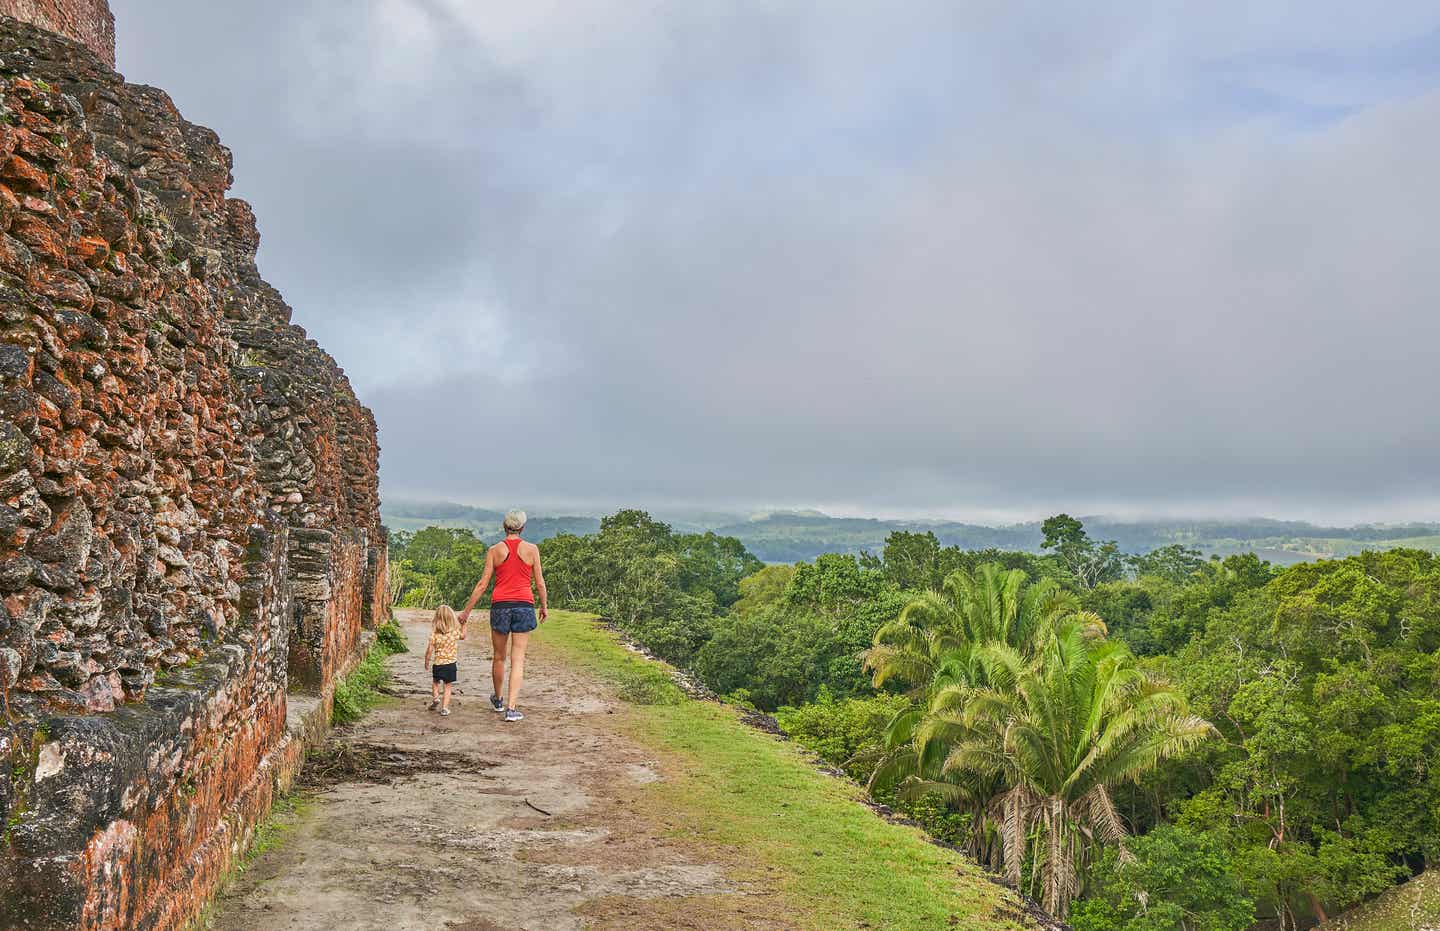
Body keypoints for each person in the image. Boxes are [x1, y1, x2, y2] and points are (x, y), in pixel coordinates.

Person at [458, 510, 548, 723]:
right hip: (524, 606)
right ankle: (512, 708)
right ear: (522, 528)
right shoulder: (532, 549)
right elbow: (540, 582)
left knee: (499, 656)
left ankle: (498, 700)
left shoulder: (494, 550)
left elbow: (482, 584)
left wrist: (466, 611)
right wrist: (544, 606)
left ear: (504, 526)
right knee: (518, 659)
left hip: (500, 606)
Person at [423, 605, 462, 716]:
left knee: (435, 682)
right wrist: (464, 625)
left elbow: (429, 650)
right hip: (450, 664)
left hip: (438, 664)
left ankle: (436, 698)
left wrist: (426, 661)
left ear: (437, 619)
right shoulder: (454, 633)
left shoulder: (434, 635)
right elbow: (463, 636)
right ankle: (445, 708)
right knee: (447, 686)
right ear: (451, 619)